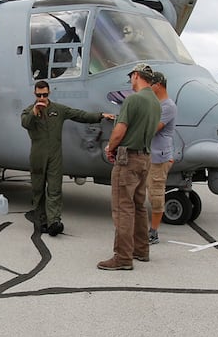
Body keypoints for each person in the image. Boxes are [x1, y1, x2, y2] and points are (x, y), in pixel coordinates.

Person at [20, 79, 112, 236]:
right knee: (38, 189)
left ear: (49, 93)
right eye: (39, 95)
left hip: (55, 155)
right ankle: (41, 220)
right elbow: (25, 124)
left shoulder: (58, 110)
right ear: (34, 94)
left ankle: (54, 221)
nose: (42, 97)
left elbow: (79, 115)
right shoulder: (29, 111)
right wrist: (34, 112)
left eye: (44, 94)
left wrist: (100, 115)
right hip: (38, 155)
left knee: (55, 189)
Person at [99, 66, 159, 269]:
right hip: (145, 157)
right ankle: (141, 250)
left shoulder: (133, 99)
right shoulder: (155, 102)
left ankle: (123, 257)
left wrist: (110, 147)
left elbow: (120, 129)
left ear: (136, 76)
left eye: (131, 77)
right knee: (139, 206)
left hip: (128, 159)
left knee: (123, 208)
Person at [146, 70, 177, 244]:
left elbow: (153, 128)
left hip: (159, 157)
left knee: (156, 195)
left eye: (150, 84)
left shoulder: (167, 106)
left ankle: (154, 232)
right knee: (148, 192)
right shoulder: (158, 104)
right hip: (151, 155)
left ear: (157, 85)